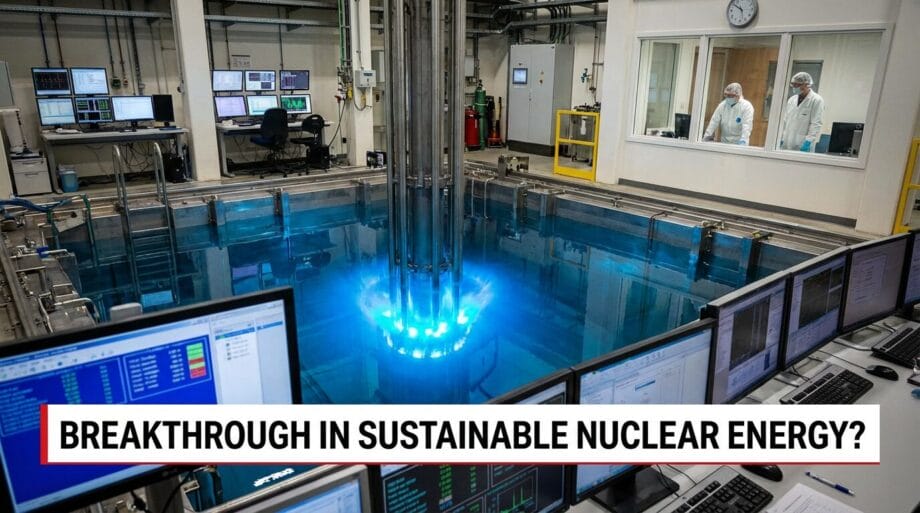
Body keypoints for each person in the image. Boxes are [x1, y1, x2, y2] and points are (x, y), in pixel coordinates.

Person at [780, 72, 825, 152]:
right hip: (787, 142)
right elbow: (785, 120)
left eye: (798, 85)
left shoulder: (816, 100)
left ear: (807, 85)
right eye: (793, 85)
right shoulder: (792, 100)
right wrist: (781, 138)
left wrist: (808, 142)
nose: (795, 87)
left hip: (803, 144)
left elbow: (816, 123)